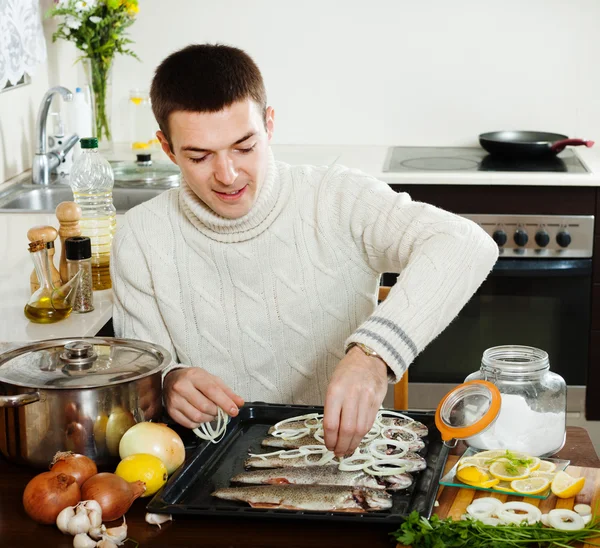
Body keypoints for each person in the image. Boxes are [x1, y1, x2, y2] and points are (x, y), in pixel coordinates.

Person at [111, 43, 498, 458]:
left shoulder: (336, 198)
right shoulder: (139, 236)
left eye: (244, 147)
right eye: (200, 155)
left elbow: (467, 244)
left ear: (270, 124)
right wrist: (170, 381)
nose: (227, 175)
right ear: (167, 148)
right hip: (209, 466)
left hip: (346, 464)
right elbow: (142, 383)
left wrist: (374, 355)